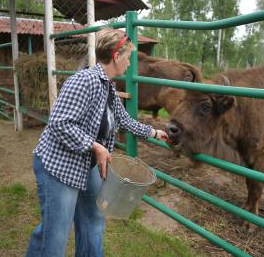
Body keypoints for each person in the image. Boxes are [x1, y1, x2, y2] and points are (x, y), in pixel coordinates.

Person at [26, 28, 169, 257]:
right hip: (60, 166)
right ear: (116, 56)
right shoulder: (85, 81)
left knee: (93, 219)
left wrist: (153, 132)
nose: (130, 64)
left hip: (87, 164)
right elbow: (59, 123)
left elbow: (123, 120)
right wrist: (95, 146)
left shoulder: (108, 86)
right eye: (128, 58)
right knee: (55, 236)